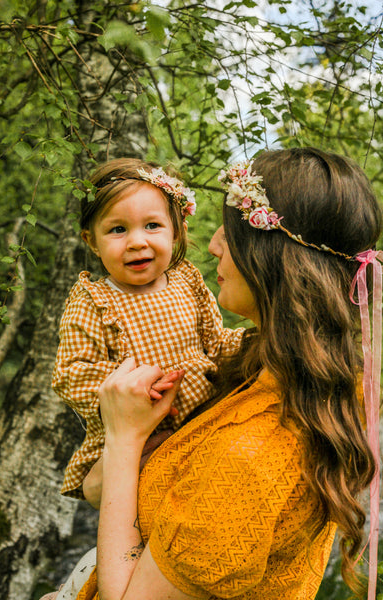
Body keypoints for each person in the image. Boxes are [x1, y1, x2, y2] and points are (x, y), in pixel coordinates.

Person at [49, 147, 382, 600]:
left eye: (232, 232)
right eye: (118, 229)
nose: (211, 244)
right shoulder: (289, 370)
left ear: (270, 254)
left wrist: (124, 440)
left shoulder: (253, 454)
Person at [52, 158, 244, 500]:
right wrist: (135, 385)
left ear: (177, 229)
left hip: (203, 421)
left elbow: (215, 344)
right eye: (117, 230)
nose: (137, 242)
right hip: (137, 439)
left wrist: (251, 343)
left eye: (152, 225)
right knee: (144, 513)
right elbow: (71, 373)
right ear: (92, 241)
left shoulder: (187, 281)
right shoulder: (94, 300)